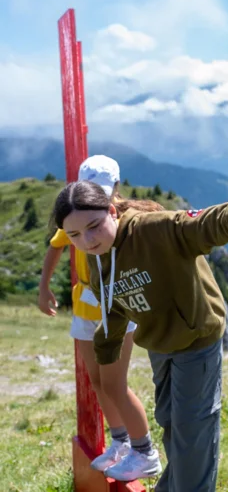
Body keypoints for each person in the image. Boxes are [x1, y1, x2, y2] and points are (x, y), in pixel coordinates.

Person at [51, 180, 228, 491]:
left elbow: (198, 225)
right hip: (159, 344)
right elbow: (113, 310)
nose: (87, 240)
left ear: (112, 212)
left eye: (94, 226)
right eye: (75, 235)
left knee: (193, 429)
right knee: (170, 421)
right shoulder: (98, 259)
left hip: (196, 339)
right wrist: (104, 355)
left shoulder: (151, 229)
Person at [38, 156, 157, 478]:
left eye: (105, 192)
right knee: (97, 381)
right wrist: (44, 286)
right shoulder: (79, 216)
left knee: (115, 384)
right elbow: (56, 244)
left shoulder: (124, 220)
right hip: (84, 307)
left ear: (116, 188)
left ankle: (144, 451)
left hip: (117, 312)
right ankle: (120, 442)